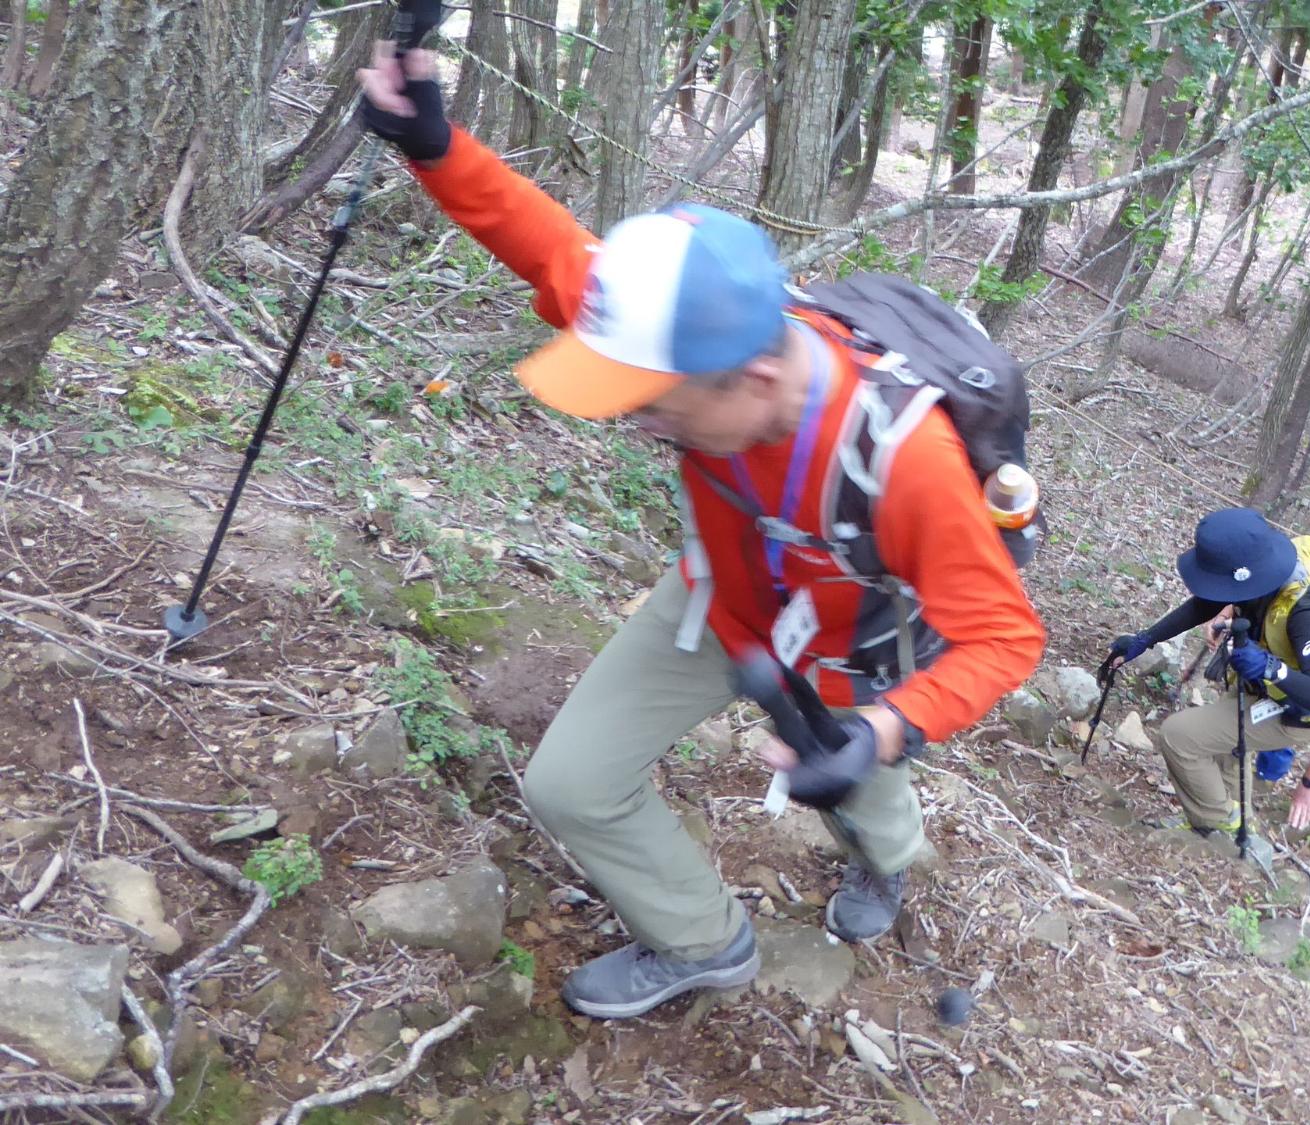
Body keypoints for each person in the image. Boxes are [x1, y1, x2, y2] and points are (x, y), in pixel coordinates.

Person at [358, 44, 1045, 1019]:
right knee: (568, 785)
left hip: (847, 650)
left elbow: (1006, 637)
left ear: (755, 380)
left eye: (656, 408)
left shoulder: (908, 464)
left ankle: (884, 866)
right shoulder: (687, 337)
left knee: (858, 789)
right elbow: (551, 250)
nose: (637, 424)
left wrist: (883, 730)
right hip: (722, 601)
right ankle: (700, 940)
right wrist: (433, 144)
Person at [1108, 510, 1310, 852]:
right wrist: (1147, 639)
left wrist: (1270, 667)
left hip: (1298, 712)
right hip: (1263, 687)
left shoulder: (1305, 611)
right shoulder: (1264, 572)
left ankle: (1216, 823)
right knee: (1224, 743)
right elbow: (1206, 602)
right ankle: (1234, 818)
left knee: (1178, 736)